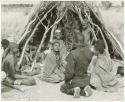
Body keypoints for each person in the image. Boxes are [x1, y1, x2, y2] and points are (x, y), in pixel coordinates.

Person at [60, 33, 93, 98]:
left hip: (75, 80)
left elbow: (70, 72)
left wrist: (66, 80)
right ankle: (84, 88)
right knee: (81, 83)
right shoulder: (89, 52)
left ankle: (74, 89)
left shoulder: (73, 53)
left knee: (63, 87)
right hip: (86, 79)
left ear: (75, 41)